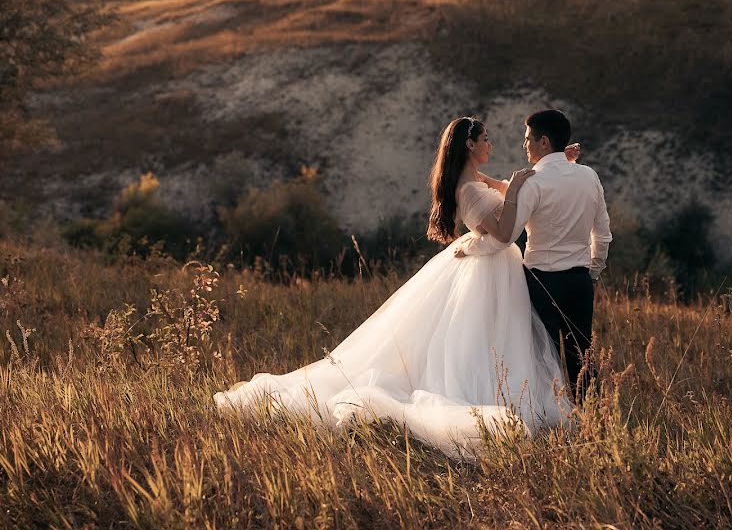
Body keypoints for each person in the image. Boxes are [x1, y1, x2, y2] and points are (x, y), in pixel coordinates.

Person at [214, 117, 579, 459]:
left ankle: (513, 393)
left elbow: (506, 188)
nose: (491, 143)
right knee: (478, 340)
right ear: (469, 144)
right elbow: (501, 233)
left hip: (497, 269)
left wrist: (557, 163)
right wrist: (515, 188)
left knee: (498, 337)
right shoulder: (466, 190)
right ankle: (483, 398)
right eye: (485, 139)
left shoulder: (476, 179)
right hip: (487, 271)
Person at [456, 110, 612, 402]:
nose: (524, 145)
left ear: (543, 141)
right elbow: (602, 234)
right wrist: (592, 272)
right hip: (580, 281)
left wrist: (469, 247)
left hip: (540, 284)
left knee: (543, 358)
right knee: (582, 355)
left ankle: (549, 418)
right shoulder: (589, 175)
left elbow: (506, 236)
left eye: (528, 139)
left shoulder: (532, 183)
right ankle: (595, 422)